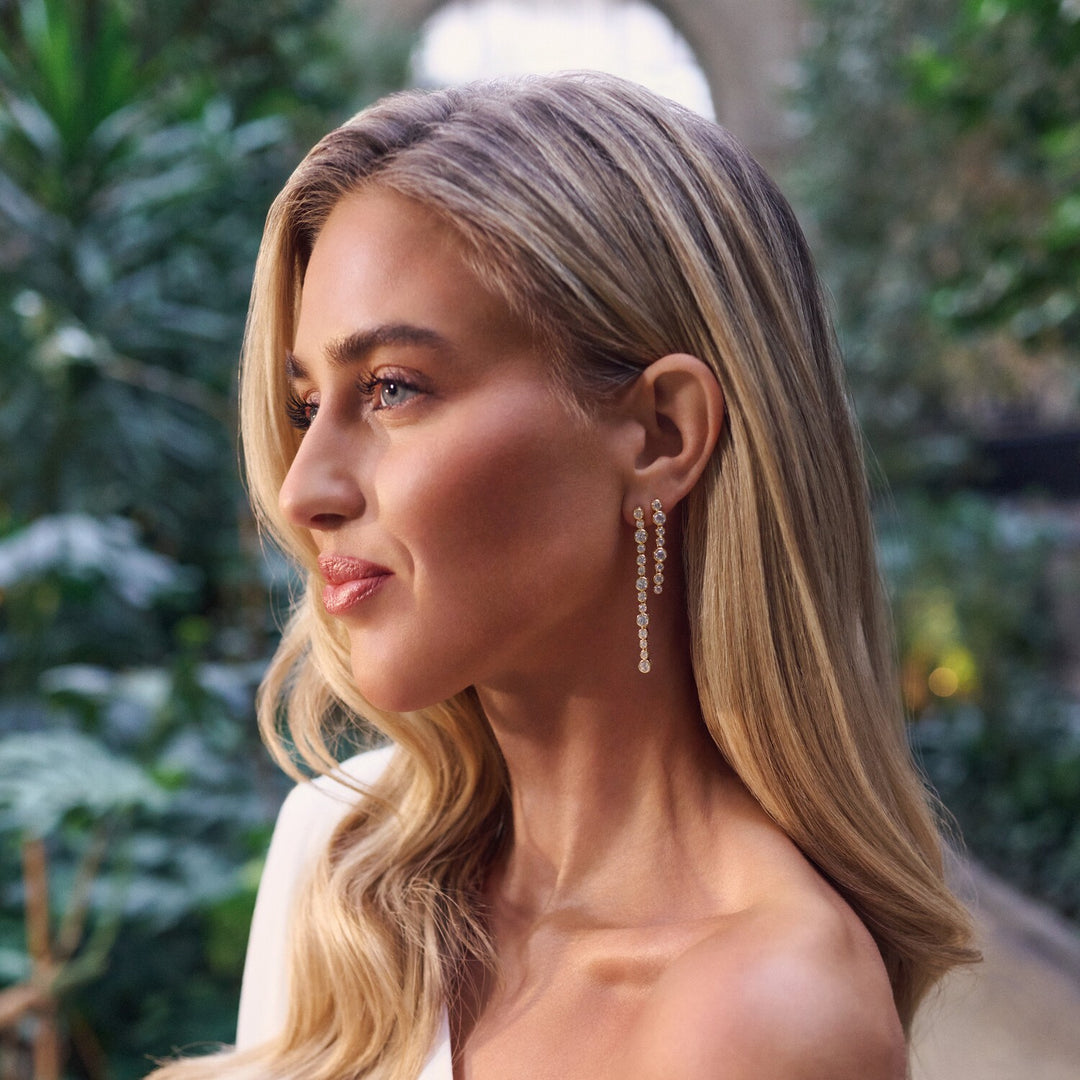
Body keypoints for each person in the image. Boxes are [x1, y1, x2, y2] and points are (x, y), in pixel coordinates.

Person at [149, 72, 977, 1080]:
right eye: (304, 405)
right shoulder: (342, 865)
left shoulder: (767, 1018)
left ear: (660, 433)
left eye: (393, 388)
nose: (302, 491)